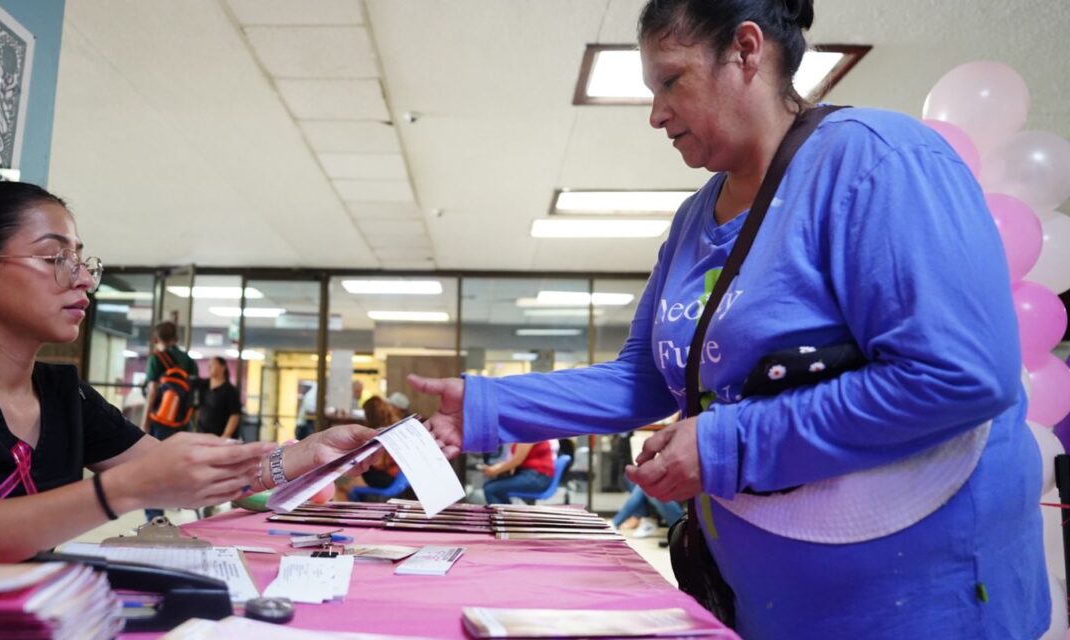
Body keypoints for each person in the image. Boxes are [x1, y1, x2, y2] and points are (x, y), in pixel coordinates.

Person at [408, 0, 1046, 636]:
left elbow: (956, 375)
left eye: (670, 80)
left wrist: (727, 443)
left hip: (914, 600)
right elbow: (649, 379)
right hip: (763, 598)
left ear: (746, 50)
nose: (656, 114)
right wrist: (488, 408)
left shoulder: (877, 161)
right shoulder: (694, 218)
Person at [0, 181, 376, 567]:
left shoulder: (64, 394)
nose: (83, 280)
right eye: (54, 258)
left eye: (83, 261)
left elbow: (184, 475)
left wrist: (308, 456)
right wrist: (122, 491)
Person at [335, 396, 403, 502]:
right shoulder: (396, 428)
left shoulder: (373, 432)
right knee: (346, 476)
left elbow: (377, 463)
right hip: (396, 479)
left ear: (369, 415)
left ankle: (345, 513)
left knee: (341, 481)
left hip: (383, 479)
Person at [143, 320, 197, 440]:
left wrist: (145, 422)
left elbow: (152, 391)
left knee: (159, 455)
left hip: (161, 418)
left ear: (155, 340)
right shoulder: (188, 360)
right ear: (176, 338)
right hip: (183, 419)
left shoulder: (156, 358)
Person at [481, 440, 554, 505]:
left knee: (491, 489)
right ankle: (508, 516)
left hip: (538, 477)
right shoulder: (521, 433)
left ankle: (505, 517)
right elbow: (514, 460)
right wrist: (495, 468)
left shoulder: (527, 434)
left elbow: (517, 460)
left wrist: (495, 471)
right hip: (531, 475)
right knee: (489, 486)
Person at [199, 357, 243, 440]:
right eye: (209, 365)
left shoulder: (230, 390)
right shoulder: (203, 386)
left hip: (221, 437)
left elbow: (235, 414)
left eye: (213, 364)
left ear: (223, 367)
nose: (209, 367)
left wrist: (226, 435)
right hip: (204, 435)